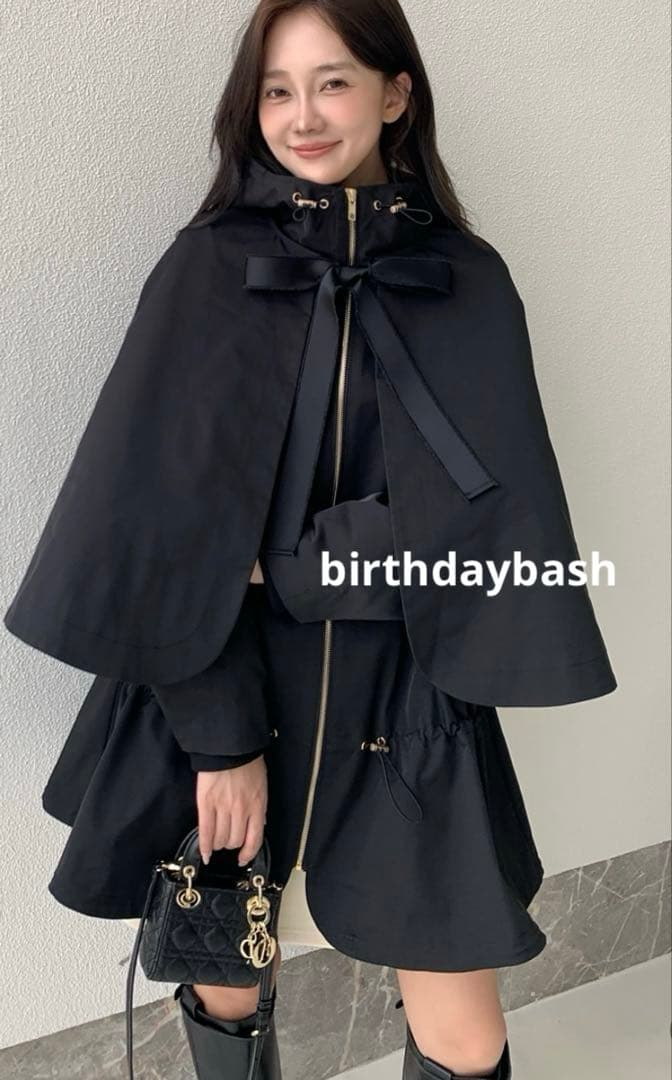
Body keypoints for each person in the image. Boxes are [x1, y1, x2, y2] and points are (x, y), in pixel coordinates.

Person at [4, 1, 617, 1078]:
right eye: (277, 90)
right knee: (227, 972)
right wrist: (221, 743)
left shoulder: (466, 280)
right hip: (226, 685)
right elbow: (158, 544)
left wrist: (280, 562)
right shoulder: (207, 270)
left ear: (395, 93)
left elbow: (486, 531)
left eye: (333, 82)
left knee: (466, 1031)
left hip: (411, 700)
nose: (303, 116)